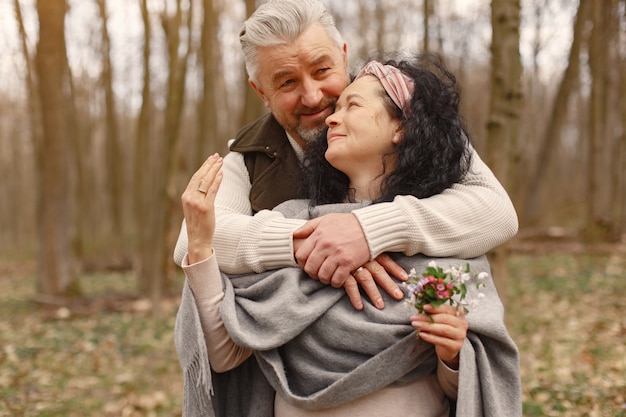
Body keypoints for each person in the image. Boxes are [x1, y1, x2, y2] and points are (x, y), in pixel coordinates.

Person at [175, 55, 521, 417]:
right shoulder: (289, 219)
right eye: (335, 108)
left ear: (401, 127)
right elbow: (226, 354)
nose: (330, 118)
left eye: (351, 105)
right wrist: (200, 247)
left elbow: (466, 387)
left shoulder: (448, 236)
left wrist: (453, 356)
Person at [172, 0, 519, 312]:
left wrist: (368, 230)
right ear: (261, 92)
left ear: (343, 55)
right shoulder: (247, 158)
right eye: (287, 83)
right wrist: (312, 244)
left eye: (323, 71)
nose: (312, 96)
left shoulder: (407, 113)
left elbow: (496, 212)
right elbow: (194, 240)